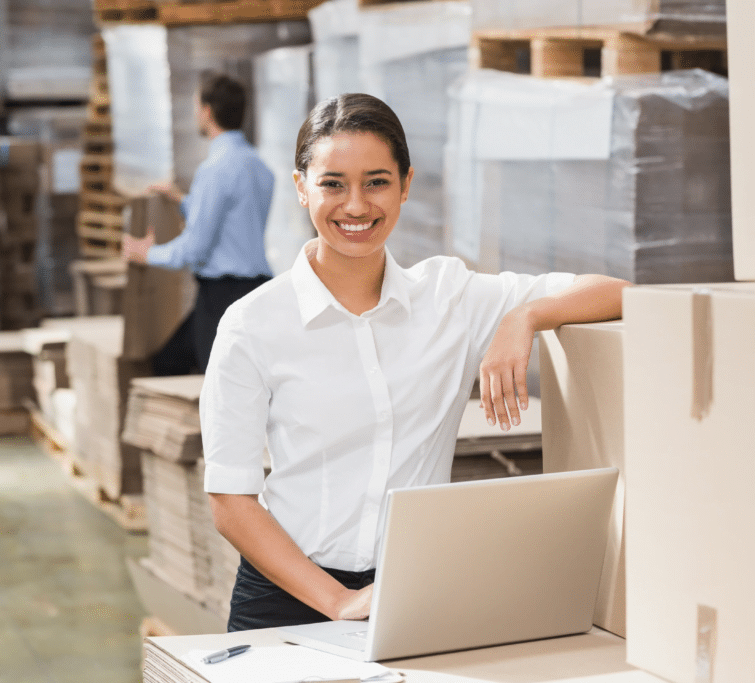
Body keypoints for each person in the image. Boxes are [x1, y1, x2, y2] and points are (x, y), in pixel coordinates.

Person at [199, 93, 631, 632]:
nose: (355, 206)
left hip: (411, 591)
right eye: (333, 183)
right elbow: (229, 499)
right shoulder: (253, 324)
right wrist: (337, 601)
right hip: (285, 597)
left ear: (406, 185)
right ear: (301, 188)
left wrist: (525, 317)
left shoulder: (450, 298)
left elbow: (617, 291)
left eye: (376, 182)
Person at [122, 73, 274, 376]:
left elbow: (194, 248)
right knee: (179, 361)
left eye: (195, 106)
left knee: (219, 384)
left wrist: (146, 254)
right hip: (257, 289)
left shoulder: (215, 170)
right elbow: (234, 222)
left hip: (222, 296)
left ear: (207, 111)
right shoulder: (259, 166)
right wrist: (183, 201)